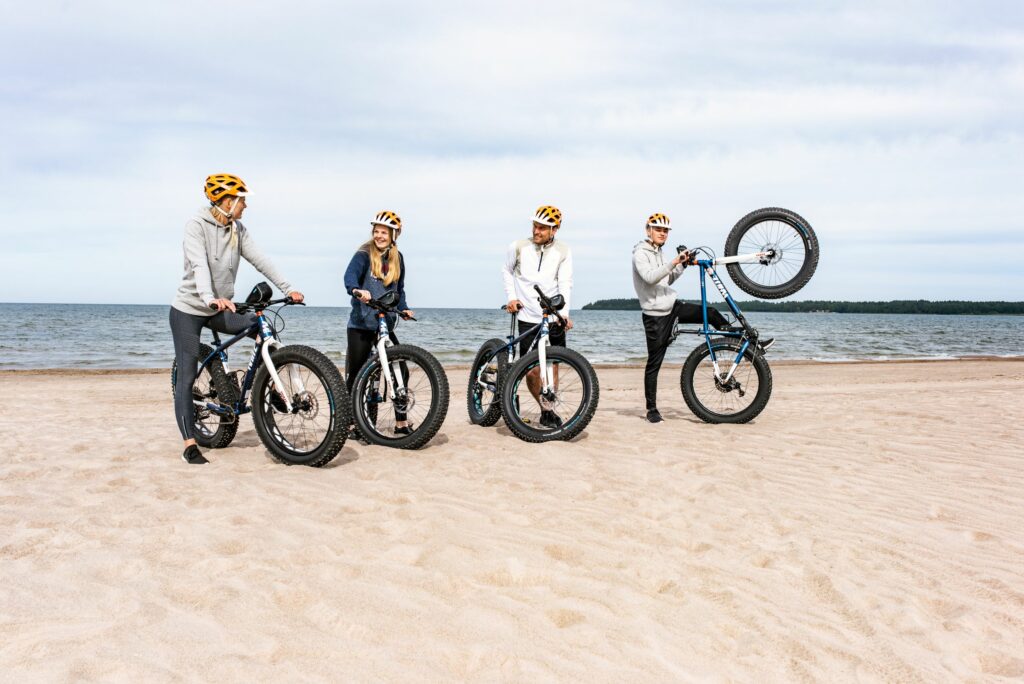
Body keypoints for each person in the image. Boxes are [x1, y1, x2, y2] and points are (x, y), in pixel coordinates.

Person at [170, 174, 304, 464]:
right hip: (190, 309)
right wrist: (208, 297)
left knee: (260, 325)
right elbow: (199, 266)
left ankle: (269, 385)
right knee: (188, 374)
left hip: (221, 308)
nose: (245, 206)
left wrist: (289, 288)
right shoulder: (195, 226)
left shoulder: (237, 229)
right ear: (227, 201)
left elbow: (260, 259)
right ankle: (190, 444)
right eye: (242, 200)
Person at [632, 212, 772, 424]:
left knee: (712, 312)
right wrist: (674, 261)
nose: (662, 233)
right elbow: (651, 278)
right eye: (658, 229)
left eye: (665, 231)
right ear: (648, 230)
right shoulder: (640, 253)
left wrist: (682, 265)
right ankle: (651, 409)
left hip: (673, 306)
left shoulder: (659, 252)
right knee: (654, 363)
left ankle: (748, 344)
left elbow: (667, 279)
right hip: (655, 315)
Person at [343, 211, 416, 435]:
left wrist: (403, 308)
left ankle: (401, 423)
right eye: (376, 231)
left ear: (394, 234)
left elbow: (398, 289)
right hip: (362, 323)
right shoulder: (364, 254)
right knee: (356, 374)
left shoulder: (398, 257)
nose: (379, 236)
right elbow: (349, 277)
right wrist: (357, 290)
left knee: (400, 370)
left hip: (385, 322)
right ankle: (352, 423)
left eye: (384, 232)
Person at [502, 205, 574, 428]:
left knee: (553, 365)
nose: (536, 231)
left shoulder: (563, 251)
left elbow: (565, 283)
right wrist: (512, 297)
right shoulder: (519, 247)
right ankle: (544, 406)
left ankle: (547, 409)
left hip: (552, 317)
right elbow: (506, 270)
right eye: (535, 226)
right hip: (527, 316)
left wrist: (563, 314)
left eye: (542, 228)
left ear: (555, 229)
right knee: (532, 369)